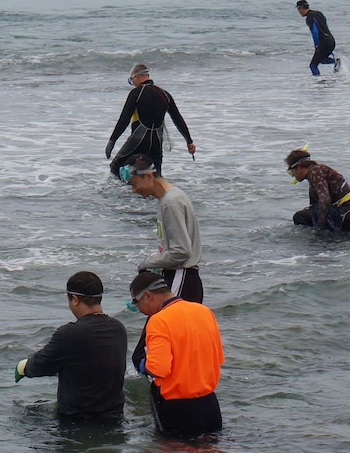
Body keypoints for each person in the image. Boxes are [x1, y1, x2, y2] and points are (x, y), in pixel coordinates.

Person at [120, 153, 205, 373]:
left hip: (180, 277)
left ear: (148, 176)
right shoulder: (170, 198)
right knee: (178, 349)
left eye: (134, 183)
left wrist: (146, 263)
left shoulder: (170, 202)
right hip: (183, 277)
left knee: (145, 351)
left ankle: (161, 398)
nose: (134, 190)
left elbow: (180, 251)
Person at [14, 271, 127, 420]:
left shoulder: (69, 333)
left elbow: (42, 365)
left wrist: (23, 367)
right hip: (115, 417)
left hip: (77, 421)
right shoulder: (119, 329)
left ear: (74, 299)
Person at [129, 272, 223, 437]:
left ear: (147, 296)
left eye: (136, 303)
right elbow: (218, 358)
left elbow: (159, 369)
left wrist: (144, 365)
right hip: (209, 403)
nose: (139, 310)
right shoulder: (204, 311)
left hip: (176, 407)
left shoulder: (159, 320)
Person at [105, 63, 195, 178]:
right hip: (156, 142)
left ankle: (127, 193)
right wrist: (189, 141)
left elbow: (124, 119)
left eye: (131, 80)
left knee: (115, 166)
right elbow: (178, 119)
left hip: (138, 140)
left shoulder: (136, 93)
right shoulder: (165, 94)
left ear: (137, 77)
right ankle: (158, 194)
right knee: (156, 175)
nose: (132, 83)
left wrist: (112, 141)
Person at [285, 148, 350, 232]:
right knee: (301, 216)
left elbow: (325, 199)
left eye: (291, 171)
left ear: (299, 167)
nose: (293, 176)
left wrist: (320, 227)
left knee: (304, 216)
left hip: (349, 214)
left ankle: (325, 240)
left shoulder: (315, 172)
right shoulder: (317, 172)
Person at [296, 0, 339, 76]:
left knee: (313, 65)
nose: (299, 12)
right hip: (331, 40)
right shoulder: (319, 13)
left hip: (324, 42)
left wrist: (317, 46)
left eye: (298, 9)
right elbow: (324, 24)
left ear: (300, 8)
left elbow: (315, 32)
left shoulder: (309, 18)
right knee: (322, 60)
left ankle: (318, 83)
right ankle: (336, 63)